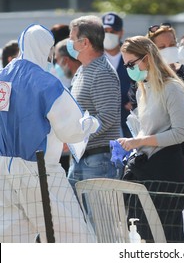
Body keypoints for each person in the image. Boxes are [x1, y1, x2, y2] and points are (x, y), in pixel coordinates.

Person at [0, 24, 97, 242]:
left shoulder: (2, 77)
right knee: (73, 237)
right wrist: (91, 124)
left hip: (4, 172)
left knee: (12, 237)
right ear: (48, 48)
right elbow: (72, 130)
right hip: (41, 171)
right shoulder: (46, 82)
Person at [118, 35, 184, 242]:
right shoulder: (144, 88)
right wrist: (132, 144)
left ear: (147, 58)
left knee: (169, 238)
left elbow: (180, 133)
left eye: (131, 63)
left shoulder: (172, 88)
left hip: (167, 172)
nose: (129, 69)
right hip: (148, 171)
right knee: (148, 237)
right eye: (125, 65)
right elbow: (147, 129)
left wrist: (139, 142)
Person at [66, 15, 123, 193]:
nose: (69, 42)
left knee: (100, 219)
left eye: (72, 38)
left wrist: (78, 136)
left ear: (85, 43)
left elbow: (107, 116)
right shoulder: (83, 70)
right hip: (82, 157)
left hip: (99, 159)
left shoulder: (102, 72)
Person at [146, 23, 184, 166]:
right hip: (155, 149)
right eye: (162, 47)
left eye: (172, 45)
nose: (168, 50)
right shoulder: (144, 78)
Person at [102, 12, 134, 138]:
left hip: (129, 121)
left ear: (121, 32)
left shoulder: (132, 55)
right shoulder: (94, 57)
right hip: (103, 125)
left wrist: (137, 100)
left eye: (113, 31)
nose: (108, 34)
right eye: (105, 30)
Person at [54, 38, 82, 174]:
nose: (56, 64)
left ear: (65, 60)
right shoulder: (76, 80)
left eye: (57, 59)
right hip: (78, 153)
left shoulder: (83, 79)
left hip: (89, 154)